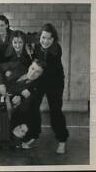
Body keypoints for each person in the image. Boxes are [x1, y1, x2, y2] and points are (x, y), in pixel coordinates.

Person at [32, 23, 69, 154]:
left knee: (55, 111)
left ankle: (62, 140)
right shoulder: (36, 47)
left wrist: (34, 72)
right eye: (43, 37)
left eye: (49, 38)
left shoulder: (56, 49)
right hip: (41, 80)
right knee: (33, 105)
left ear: (53, 39)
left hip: (55, 82)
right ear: (39, 37)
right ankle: (33, 134)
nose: (45, 41)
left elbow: (46, 69)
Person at [0, 59, 45, 149]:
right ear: (30, 66)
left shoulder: (34, 88)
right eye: (32, 68)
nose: (32, 73)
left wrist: (16, 99)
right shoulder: (18, 67)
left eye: (37, 72)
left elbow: (30, 109)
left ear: (40, 75)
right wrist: (0, 83)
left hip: (2, 105)